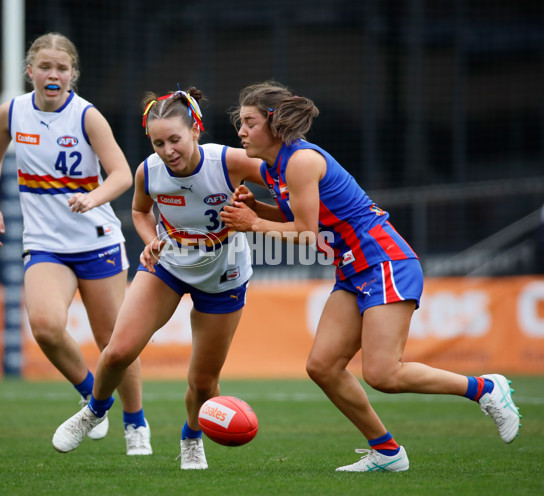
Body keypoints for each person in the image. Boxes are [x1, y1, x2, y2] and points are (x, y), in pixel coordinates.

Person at [220, 81, 522, 472]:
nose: (240, 131)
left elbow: (307, 234)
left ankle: (484, 388)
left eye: (249, 122)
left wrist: (252, 222)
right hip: (352, 268)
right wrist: (257, 209)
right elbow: (305, 219)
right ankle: (388, 452)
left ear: (274, 125)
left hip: (385, 262)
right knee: (322, 366)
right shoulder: (278, 167)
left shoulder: (301, 162)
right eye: (240, 122)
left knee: (383, 373)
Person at [52, 87, 265, 470]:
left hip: (224, 275)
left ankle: (191, 437)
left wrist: (258, 213)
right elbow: (139, 211)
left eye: (175, 139)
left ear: (196, 130)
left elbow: (286, 183)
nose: (167, 150)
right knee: (118, 351)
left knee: (203, 384)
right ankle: (94, 412)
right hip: (167, 266)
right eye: (158, 142)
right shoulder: (148, 170)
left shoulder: (229, 161)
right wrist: (151, 242)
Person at [0, 32, 151, 456]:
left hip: (96, 240)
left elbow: (122, 175)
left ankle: (137, 425)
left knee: (116, 342)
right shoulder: (12, 112)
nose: (53, 74)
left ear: (73, 74)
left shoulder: (87, 117)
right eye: (45, 66)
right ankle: (95, 402)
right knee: (45, 326)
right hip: (44, 244)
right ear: (30, 71)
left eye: (61, 68)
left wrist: (93, 198)